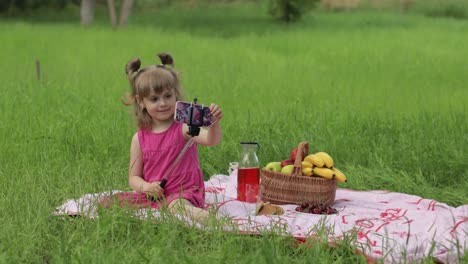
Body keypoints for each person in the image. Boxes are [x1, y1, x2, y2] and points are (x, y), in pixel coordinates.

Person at [118, 52, 223, 223]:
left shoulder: (183, 128)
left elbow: (211, 140)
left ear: (176, 95)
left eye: (168, 96)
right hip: (156, 194)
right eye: (154, 99)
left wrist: (213, 123)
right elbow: (133, 178)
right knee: (115, 203)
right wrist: (146, 187)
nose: (163, 103)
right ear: (141, 102)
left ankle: (216, 222)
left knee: (177, 206)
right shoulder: (139, 138)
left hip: (184, 191)